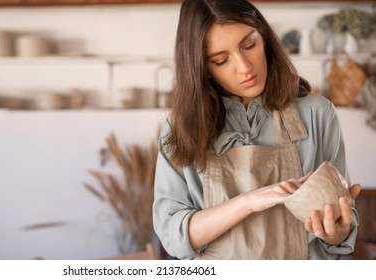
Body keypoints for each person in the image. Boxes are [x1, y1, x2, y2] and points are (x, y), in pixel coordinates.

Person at [152, 0, 361, 260]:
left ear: (263, 35)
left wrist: (336, 233)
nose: (244, 67)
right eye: (221, 60)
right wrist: (247, 202)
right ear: (202, 68)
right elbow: (173, 235)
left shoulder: (317, 113)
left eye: (249, 44)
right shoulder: (181, 126)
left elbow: (340, 231)